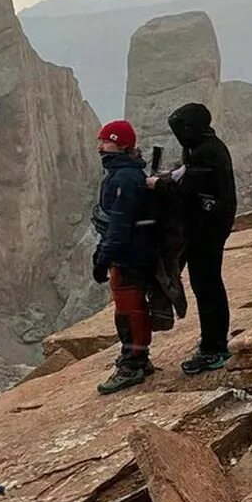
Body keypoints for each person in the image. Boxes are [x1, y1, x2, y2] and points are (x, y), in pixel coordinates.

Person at [149, 103, 237, 375]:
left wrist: (159, 184)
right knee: (206, 284)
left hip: (208, 228)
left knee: (207, 285)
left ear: (190, 129)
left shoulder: (207, 152)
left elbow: (187, 190)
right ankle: (212, 342)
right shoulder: (203, 146)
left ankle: (214, 349)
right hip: (205, 224)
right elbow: (189, 180)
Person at [91, 119, 160, 394]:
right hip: (134, 251)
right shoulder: (126, 173)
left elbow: (119, 226)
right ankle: (135, 356)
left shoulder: (124, 179)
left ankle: (134, 363)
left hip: (130, 254)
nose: (100, 146)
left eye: (106, 141)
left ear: (120, 144)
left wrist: (102, 258)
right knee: (130, 306)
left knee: (129, 307)